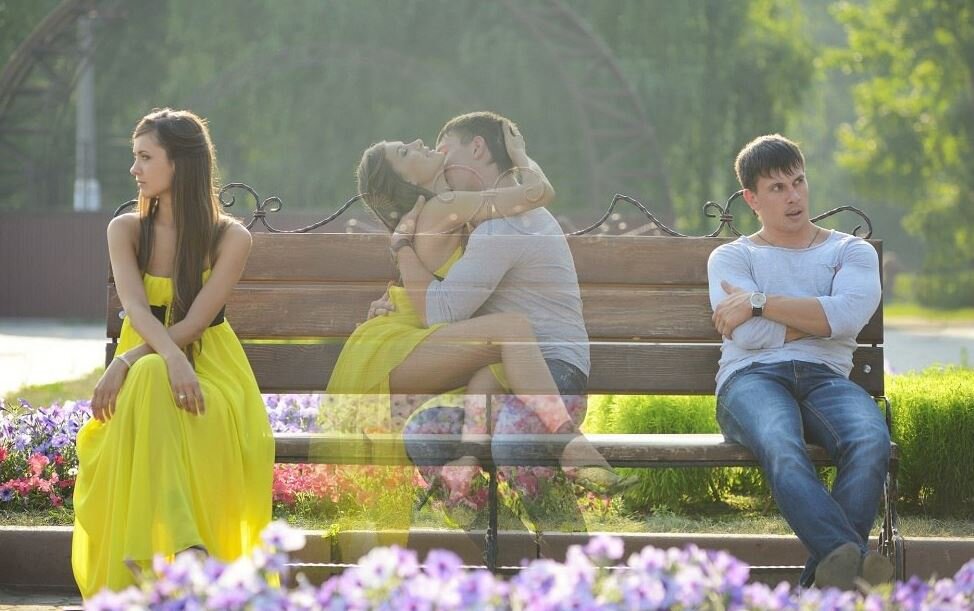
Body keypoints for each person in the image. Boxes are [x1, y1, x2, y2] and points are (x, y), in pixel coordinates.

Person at [72, 109, 274, 598]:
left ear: (180, 163)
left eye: (145, 157)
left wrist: (134, 360)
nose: (134, 169)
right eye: (134, 157)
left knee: (147, 376)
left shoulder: (231, 238)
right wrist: (154, 359)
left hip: (210, 372)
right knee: (148, 378)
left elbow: (197, 323)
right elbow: (137, 310)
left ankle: (152, 560)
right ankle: (185, 551)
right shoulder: (126, 230)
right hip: (151, 370)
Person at [708, 134, 892, 590]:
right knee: (780, 442)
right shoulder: (732, 256)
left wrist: (759, 302)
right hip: (750, 379)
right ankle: (848, 567)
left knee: (871, 440)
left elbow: (847, 317)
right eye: (777, 187)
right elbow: (749, 336)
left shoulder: (850, 251)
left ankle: (819, 588)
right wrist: (821, 319)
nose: (793, 196)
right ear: (751, 199)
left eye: (798, 181)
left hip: (826, 379)